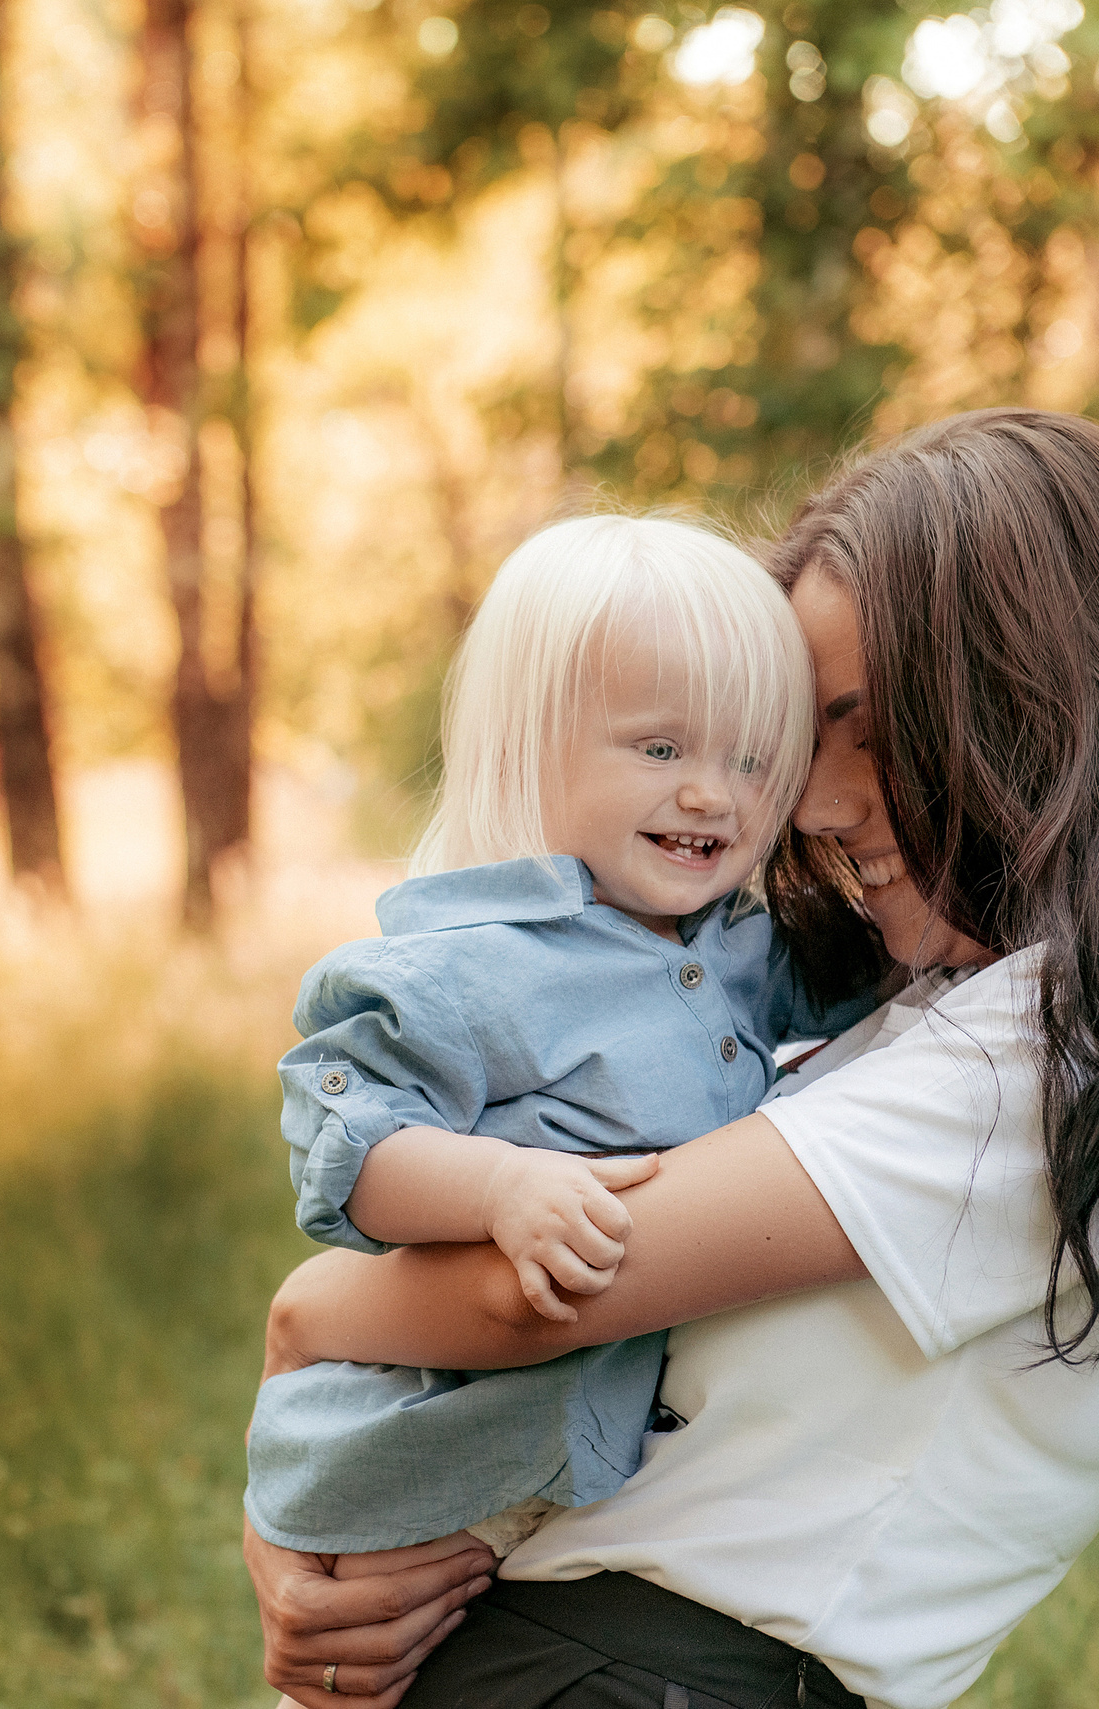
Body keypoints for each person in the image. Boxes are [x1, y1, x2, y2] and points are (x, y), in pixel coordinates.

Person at [242, 409, 1099, 1709]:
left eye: (864, 727)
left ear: (1037, 701)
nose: (810, 805)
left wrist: (301, 1322)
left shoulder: (1096, 1035)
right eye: (803, 744)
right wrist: (309, 1515)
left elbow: (551, 1288)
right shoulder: (967, 1000)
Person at [252, 514, 885, 1658]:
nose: (712, 794)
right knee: (363, 1650)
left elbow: (877, 991)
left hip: (573, 1480)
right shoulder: (462, 965)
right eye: (660, 748)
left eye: (752, 761)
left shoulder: (740, 946)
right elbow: (352, 1147)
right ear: (528, 740)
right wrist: (500, 1187)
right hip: (419, 1445)